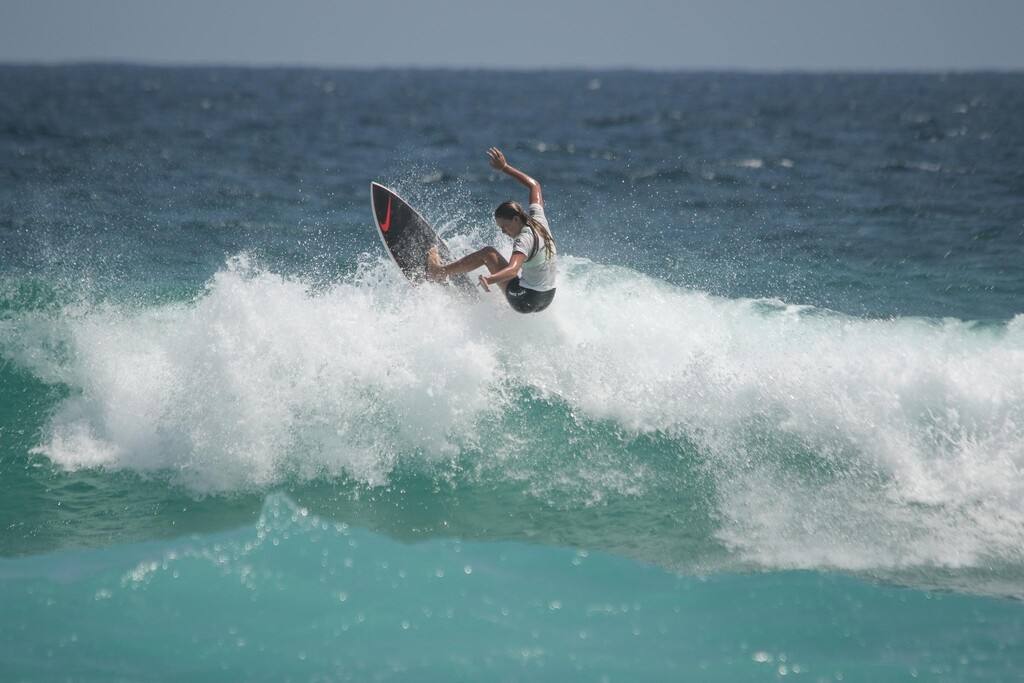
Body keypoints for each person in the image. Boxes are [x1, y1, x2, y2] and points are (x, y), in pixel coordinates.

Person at [427, 148, 556, 313]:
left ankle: (438, 272)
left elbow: (513, 270)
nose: (503, 232)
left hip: (524, 300)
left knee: (487, 253)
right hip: (547, 298)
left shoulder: (523, 239)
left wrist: (490, 278)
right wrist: (505, 168)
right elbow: (534, 186)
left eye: (504, 226)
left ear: (516, 220)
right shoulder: (539, 219)